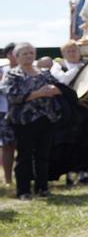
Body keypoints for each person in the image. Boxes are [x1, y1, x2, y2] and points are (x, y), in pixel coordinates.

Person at [0, 42, 62, 198]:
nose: (28, 56)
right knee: (24, 156)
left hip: (46, 118)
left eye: (31, 53)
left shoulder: (44, 73)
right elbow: (12, 96)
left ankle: (42, 188)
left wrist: (55, 90)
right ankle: (24, 190)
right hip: (23, 121)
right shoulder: (12, 74)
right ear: (17, 56)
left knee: (43, 155)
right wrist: (38, 93)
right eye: (24, 53)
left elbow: (60, 88)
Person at [49, 41, 88, 185]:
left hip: (86, 109)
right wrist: (78, 69)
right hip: (68, 111)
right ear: (63, 54)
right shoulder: (58, 67)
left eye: (74, 50)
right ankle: (69, 174)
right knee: (69, 142)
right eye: (68, 51)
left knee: (86, 141)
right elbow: (63, 80)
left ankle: (83, 172)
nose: (72, 53)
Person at [0, 42, 18, 185]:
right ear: (7, 55)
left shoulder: (29, 70)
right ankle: (8, 179)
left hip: (24, 113)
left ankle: (24, 176)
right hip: (5, 112)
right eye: (13, 53)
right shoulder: (2, 70)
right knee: (7, 146)